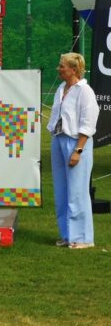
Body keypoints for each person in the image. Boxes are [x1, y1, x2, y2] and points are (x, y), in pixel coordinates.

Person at [47, 53, 99, 249]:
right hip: (59, 140)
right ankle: (67, 235)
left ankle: (83, 238)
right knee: (61, 191)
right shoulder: (62, 88)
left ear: (74, 70)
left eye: (62, 66)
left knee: (77, 192)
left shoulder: (85, 91)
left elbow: (88, 121)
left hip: (76, 143)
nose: (58, 69)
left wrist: (78, 150)